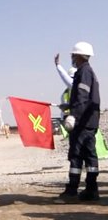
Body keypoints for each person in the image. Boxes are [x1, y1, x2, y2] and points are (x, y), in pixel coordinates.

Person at [59, 41, 101, 201]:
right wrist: (69, 105)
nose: (72, 57)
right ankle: (92, 189)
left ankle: (71, 190)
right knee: (90, 157)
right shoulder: (89, 72)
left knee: (76, 155)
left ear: (78, 56)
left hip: (82, 122)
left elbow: (83, 98)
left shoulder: (83, 72)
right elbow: (88, 98)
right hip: (90, 121)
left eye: (73, 55)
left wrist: (73, 115)